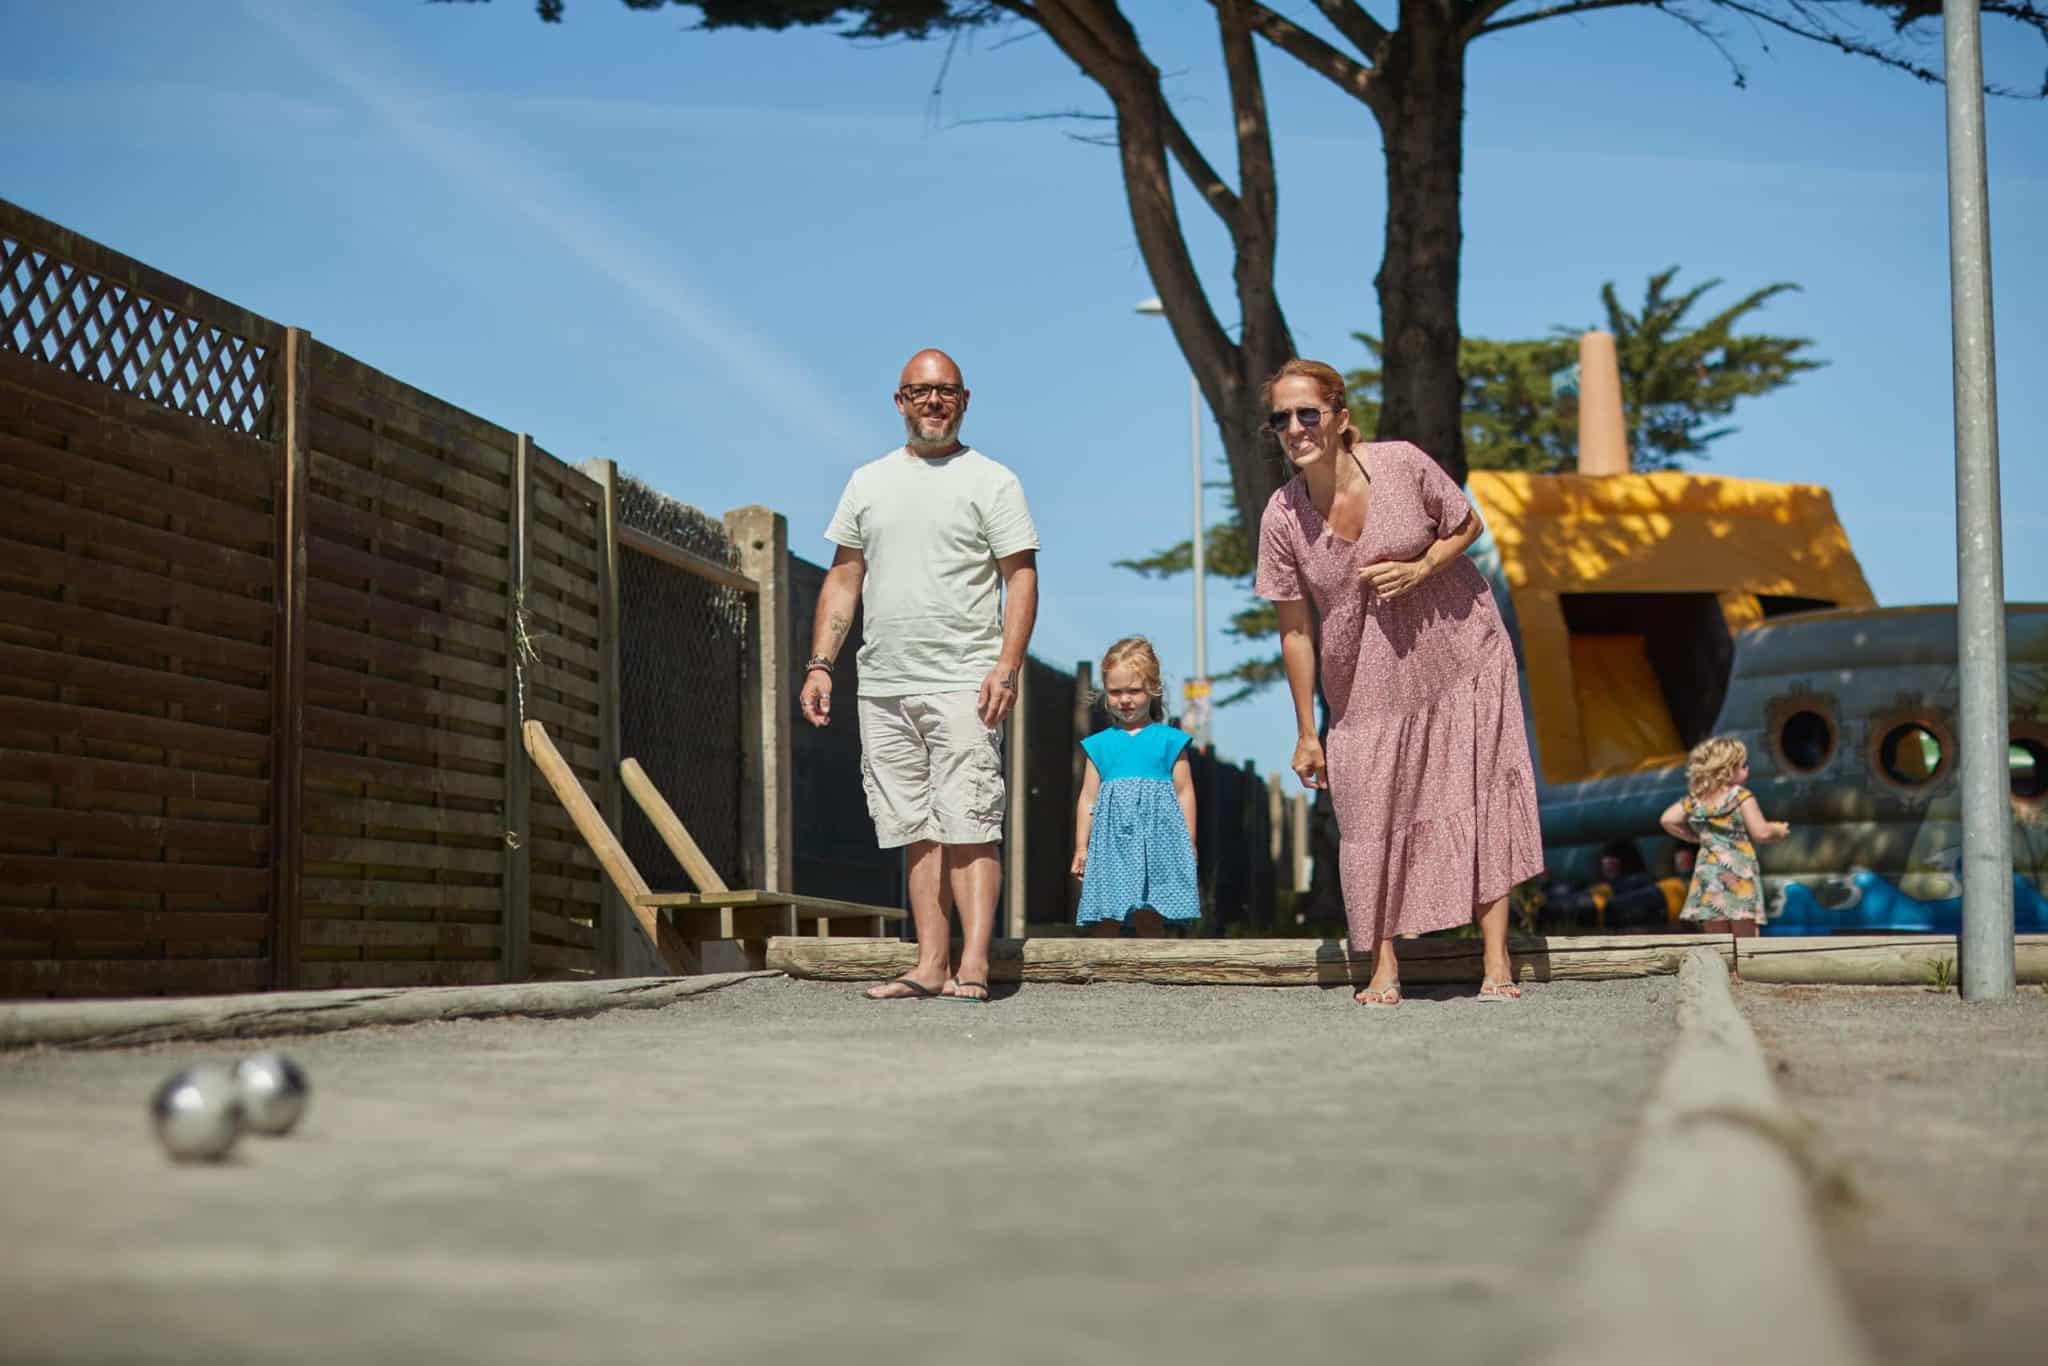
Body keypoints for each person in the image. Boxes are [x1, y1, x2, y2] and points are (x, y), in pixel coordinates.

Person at [1253, 359, 1544, 1007]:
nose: (1295, 428)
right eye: (1281, 419)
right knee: (1365, 805)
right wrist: (1308, 730)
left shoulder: (1403, 464)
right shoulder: (1282, 517)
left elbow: (1468, 522)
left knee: (1480, 788)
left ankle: (1497, 960)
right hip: (1365, 684)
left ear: (1340, 418)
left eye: (1308, 414)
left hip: (1462, 653)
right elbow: (1295, 630)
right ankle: (1382, 964)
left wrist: (1421, 566)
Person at [799, 349, 1039, 1003]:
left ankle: (974, 965)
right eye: (919, 391)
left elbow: (1020, 577)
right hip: (885, 683)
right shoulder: (867, 482)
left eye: (945, 391)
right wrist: (822, 663)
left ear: (964, 400)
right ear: (900, 401)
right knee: (914, 827)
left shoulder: (993, 481)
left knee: (970, 822)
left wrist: (1006, 666)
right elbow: (846, 576)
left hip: (965, 678)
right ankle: (929, 963)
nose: (933, 401)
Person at [1070, 637, 1200, 938]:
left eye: (1134, 691)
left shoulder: (1170, 740)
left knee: (1149, 912)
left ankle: (1150, 974)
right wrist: (1081, 846)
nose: (1124, 699)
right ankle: (1105, 973)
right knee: (1106, 910)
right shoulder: (1099, 745)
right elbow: (1088, 797)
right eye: (1115, 692)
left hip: (1158, 840)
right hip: (1110, 843)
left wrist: (1188, 840)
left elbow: (1185, 792)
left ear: (1152, 689)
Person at [1660, 736, 1789, 937]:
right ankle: (1742, 970)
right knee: (1745, 944)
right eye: (1743, 765)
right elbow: (1760, 832)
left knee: (1718, 944)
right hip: (1738, 875)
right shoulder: (1740, 796)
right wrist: (1777, 830)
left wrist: (1695, 838)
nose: (1747, 770)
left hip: (1708, 875)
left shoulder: (1696, 800)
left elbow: (1668, 819)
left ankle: (1724, 970)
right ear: (1728, 769)